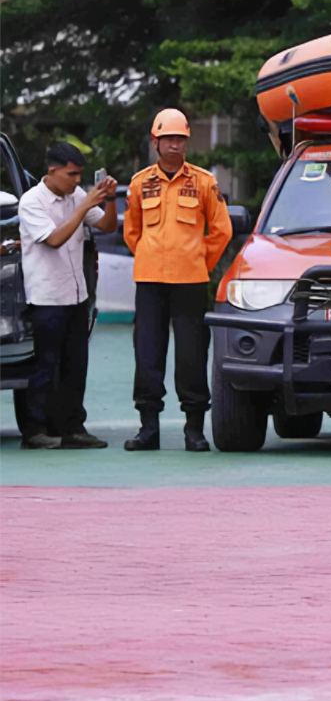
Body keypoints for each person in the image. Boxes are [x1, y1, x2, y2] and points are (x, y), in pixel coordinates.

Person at [123, 109, 232, 452]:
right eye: (168, 138)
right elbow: (132, 231)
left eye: (180, 139)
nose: (174, 145)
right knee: (147, 355)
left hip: (190, 282)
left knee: (192, 356)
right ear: (155, 141)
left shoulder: (203, 182)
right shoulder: (140, 183)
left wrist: (199, 260)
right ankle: (148, 428)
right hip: (150, 281)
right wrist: (148, 255)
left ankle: (194, 430)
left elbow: (221, 230)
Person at [15, 143, 118, 449]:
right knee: (45, 366)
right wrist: (85, 206)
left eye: (80, 175)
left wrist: (109, 200)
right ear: (53, 171)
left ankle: (72, 427)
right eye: (71, 174)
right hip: (46, 296)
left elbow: (108, 226)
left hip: (76, 295)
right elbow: (55, 239)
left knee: (76, 366)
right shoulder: (32, 202)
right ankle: (35, 430)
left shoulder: (76, 197)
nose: (76, 181)